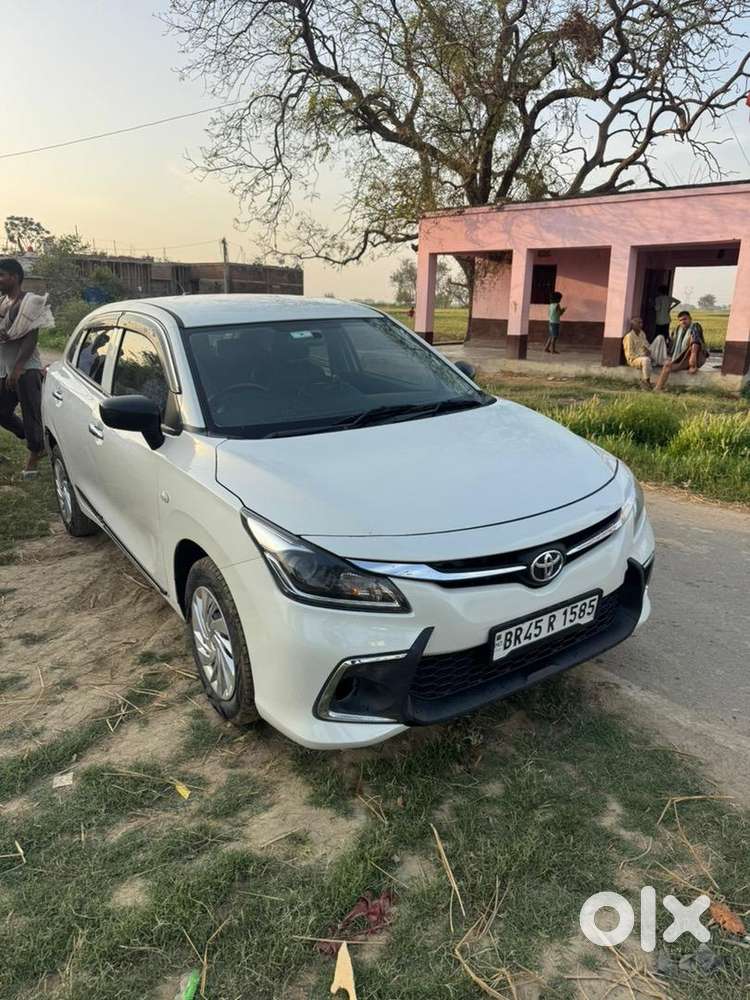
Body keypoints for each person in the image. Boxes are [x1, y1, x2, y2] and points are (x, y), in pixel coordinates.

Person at [0, 259, 54, 476]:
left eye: (1, 275)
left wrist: (18, 368)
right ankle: (37, 443)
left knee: (31, 412)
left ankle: (34, 452)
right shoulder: (3, 301)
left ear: (14, 276)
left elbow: (30, 337)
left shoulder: (30, 302)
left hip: (25, 369)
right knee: (2, 412)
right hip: (4, 368)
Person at [654, 310, 709, 391]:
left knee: (667, 366)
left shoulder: (695, 326)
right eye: (680, 320)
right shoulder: (678, 329)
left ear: (690, 319)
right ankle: (658, 387)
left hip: (694, 357)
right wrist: (669, 357)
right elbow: (672, 344)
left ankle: (658, 388)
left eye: (685, 319)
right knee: (667, 363)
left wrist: (692, 364)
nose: (683, 322)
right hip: (682, 357)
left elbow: (695, 343)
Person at [622, 317, 654, 388]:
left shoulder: (642, 333)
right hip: (634, 359)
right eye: (638, 323)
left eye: (641, 323)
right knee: (646, 360)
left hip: (644, 355)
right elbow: (630, 355)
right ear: (633, 325)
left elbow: (647, 345)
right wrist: (643, 355)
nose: (641, 325)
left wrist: (648, 351)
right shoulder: (629, 337)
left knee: (659, 339)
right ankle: (646, 381)